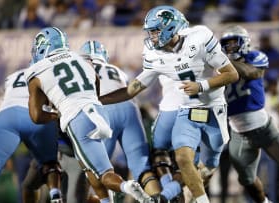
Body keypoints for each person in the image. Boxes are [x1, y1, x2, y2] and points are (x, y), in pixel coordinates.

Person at [99, 5, 239, 203]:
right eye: (150, 32)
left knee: (208, 166)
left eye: (155, 31)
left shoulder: (199, 37)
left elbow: (232, 74)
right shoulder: (154, 54)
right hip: (186, 110)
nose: (152, 37)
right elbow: (133, 88)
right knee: (182, 158)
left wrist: (201, 86)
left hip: (214, 109)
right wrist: (99, 99)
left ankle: (175, 193)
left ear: (170, 28)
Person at [24, 26, 153, 203]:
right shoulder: (82, 59)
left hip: (77, 119)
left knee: (103, 174)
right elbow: (96, 82)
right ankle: (108, 200)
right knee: (91, 168)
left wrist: (57, 114)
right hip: (99, 113)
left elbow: (36, 117)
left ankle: (126, 187)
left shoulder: (36, 71)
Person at [219, 25, 279, 203]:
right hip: (238, 133)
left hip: (265, 128)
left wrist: (224, 63)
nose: (230, 47)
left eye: (234, 43)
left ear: (244, 43)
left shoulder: (254, 57)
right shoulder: (218, 69)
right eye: (227, 44)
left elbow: (251, 72)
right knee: (247, 181)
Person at [79, 40, 162, 197]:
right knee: (142, 167)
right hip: (130, 108)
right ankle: (157, 199)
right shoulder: (118, 70)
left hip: (103, 109)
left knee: (97, 172)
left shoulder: (82, 69)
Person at [0, 68, 63, 203]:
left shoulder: (12, 76)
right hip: (36, 114)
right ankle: (56, 196)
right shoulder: (49, 71)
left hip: (8, 114)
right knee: (50, 164)